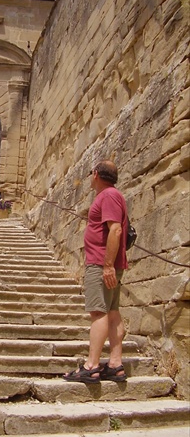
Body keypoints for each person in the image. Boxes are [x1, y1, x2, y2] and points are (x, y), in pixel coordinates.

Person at [63, 159, 128, 384]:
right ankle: (115, 364)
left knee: (98, 312)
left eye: (92, 173)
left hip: (102, 264)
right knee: (112, 311)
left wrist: (107, 265)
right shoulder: (112, 195)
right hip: (108, 263)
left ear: (96, 175)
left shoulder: (108, 196)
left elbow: (116, 229)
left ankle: (91, 366)